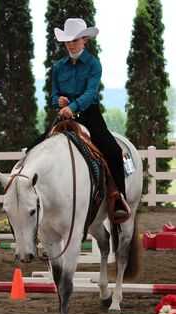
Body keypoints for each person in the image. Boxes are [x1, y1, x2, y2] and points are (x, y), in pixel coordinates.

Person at [51, 18, 129, 219]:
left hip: (90, 116)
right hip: (64, 117)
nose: (71, 43)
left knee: (113, 151)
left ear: (85, 39)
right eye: (68, 40)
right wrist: (58, 101)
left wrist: (72, 106)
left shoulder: (94, 64)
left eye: (75, 39)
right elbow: (53, 95)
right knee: (37, 147)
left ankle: (119, 198)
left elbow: (90, 93)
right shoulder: (59, 66)